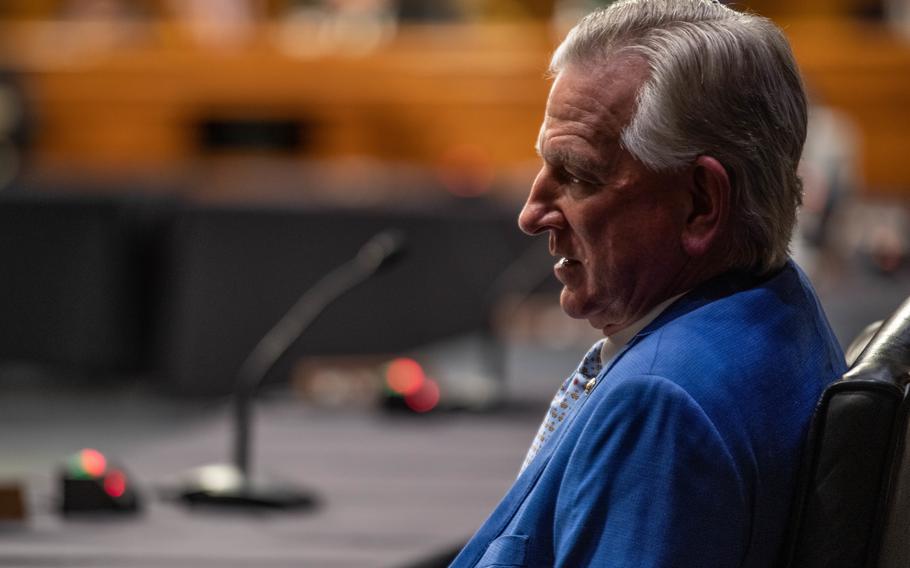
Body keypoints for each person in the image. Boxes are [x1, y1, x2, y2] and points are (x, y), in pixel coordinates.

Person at [450, 1, 846, 566]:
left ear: (701, 205)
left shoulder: (660, 408)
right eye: (544, 167)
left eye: (580, 175)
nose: (532, 212)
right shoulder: (780, 303)